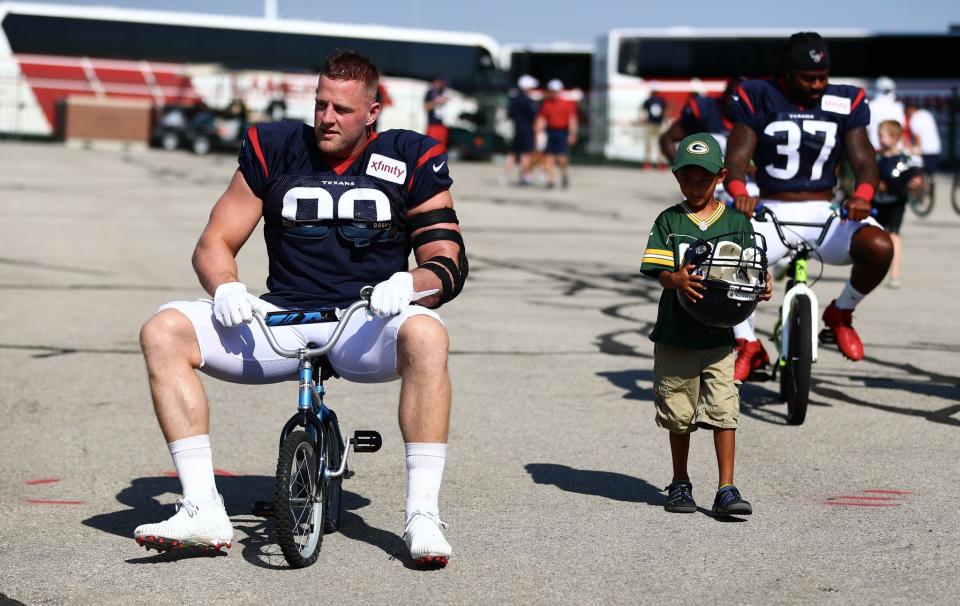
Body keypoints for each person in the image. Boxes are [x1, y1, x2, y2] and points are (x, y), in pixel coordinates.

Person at [134, 50, 467, 567]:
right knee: (164, 330)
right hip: (283, 318)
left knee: (427, 334)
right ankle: (202, 507)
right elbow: (213, 242)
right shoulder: (276, 146)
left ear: (373, 113)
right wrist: (225, 286)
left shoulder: (410, 156)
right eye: (320, 105)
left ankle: (422, 513)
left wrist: (410, 283)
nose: (327, 118)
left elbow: (447, 261)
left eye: (343, 110)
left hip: (367, 322)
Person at [725, 32, 891, 382]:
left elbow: (865, 161)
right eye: (808, 77)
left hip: (823, 212)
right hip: (770, 209)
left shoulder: (845, 99)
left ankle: (841, 312)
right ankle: (748, 344)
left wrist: (862, 195)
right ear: (786, 72)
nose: (818, 84)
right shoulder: (759, 94)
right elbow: (737, 158)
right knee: (728, 259)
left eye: (823, 77)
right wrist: (740, 191)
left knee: (879, 246)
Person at [640, 133, 772, 516]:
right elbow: (658, 271)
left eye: (703, 178)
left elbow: (751, 270)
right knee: (679, 413)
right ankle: (680, 482)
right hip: (675, 335)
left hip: (719, 337)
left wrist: (761, 284)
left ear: (721, 176)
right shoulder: (669, 221)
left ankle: (726, 487)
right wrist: (675, 279)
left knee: (724, 411)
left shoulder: (736, 222)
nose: (694, 185)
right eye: (687, 178)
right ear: (677, 176)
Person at [875, 120, 925, 288]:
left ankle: (894, 273)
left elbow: (917, 177)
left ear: (895, 138)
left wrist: (916, 182)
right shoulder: (876, 158)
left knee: (894, 235)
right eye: (879, 135)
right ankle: (873, 272)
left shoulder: (906, 159)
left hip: (896, 203)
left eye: (883, 136)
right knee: (875, 237)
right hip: (876, 203)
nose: (880, 139)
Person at [535, 78, 578, 189]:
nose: (553, 93)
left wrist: (572, 134)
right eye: (552, 91)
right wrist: (538, 132)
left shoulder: (567, 104)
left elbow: (572, 120)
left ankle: (564, 174)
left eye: (555, 91)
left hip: (562, 131)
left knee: (560, 157)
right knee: (548, 157)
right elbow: (542, 119)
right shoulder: (547, 104)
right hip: (550, 131)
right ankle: (551, 180)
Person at [503, 74, 539, 185]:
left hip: (517, 128)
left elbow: (510, 114)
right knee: (526, 154)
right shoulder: (527, 101)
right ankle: (525, 177)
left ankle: (504, 176)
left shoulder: (514, 99)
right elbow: (533, 116)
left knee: (513, 153)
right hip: (526, 129)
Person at [867, 76, 906, 151]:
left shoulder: (871, 105)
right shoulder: (898, 106)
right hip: (892, 150)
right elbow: (902, 127)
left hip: (877, 150)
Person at [906, 102, 941, 175]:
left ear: (911, 109)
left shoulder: (915, 118)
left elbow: (917, 135)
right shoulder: (927, 114)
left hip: (925, 150)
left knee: (923, 173)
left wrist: (916, 148)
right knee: (932, 172)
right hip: (935, 147)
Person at [640, 86, 666, 169]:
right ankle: (650, 163)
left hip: (656, 124)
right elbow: (643, 111)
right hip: (652, 124)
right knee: (650, 144)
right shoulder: (650, 100)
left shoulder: (657, 100)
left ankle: (658, 163)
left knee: (654, 144)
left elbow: (642, 111)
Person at [423, 77, 449, 151]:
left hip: (442, 124)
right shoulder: (430, 93)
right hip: (433, 124)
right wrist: (436, 102)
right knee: (431, 145)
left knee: (440, 146)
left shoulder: (443, 92)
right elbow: (426, 107)